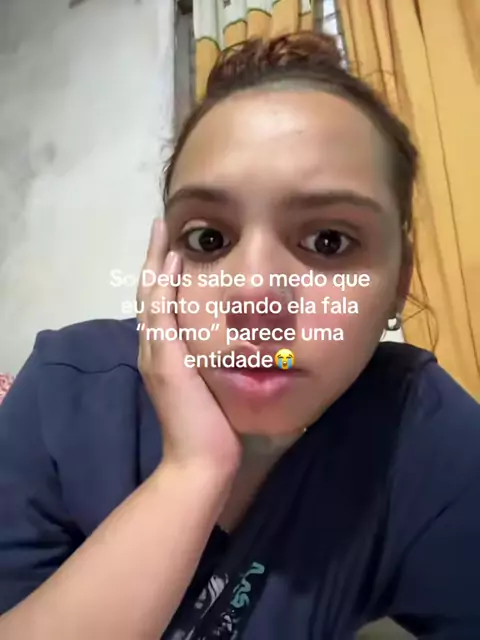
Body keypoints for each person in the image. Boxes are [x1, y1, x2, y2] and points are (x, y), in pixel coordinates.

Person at [0, 30, 479, 640]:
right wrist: (193, 469)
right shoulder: (63, 394)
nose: (255, 295)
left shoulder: (419, 432)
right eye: (208, 239)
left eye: (329, 241)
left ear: (397, 283)